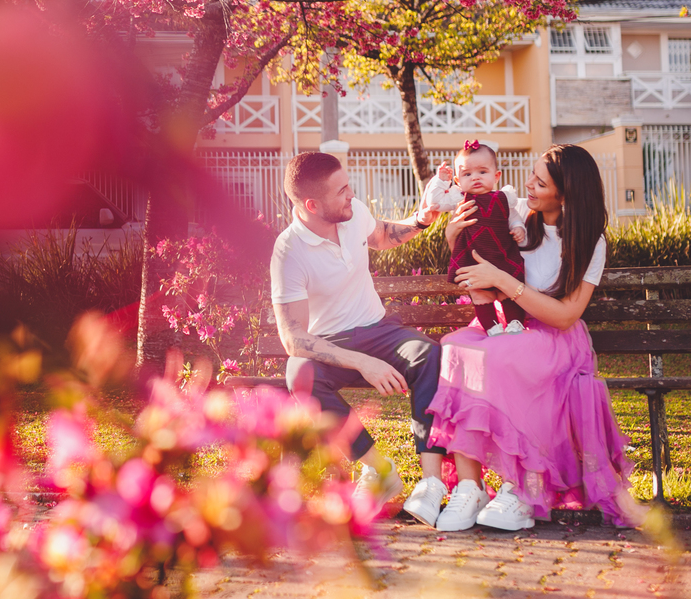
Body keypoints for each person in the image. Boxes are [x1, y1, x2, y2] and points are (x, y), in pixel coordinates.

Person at [425, 144, 640, 532]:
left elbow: (566, 314)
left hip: (554, 336)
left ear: (566, 193)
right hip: (506, 325)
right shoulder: (516, 212)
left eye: (540, 183)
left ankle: (522, 489)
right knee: (456, 347)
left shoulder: (589, 242)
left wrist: (503, 280)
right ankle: (470, 487)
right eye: (532, 176)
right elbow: (475, 254)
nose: (528, 185)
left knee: (505, 355)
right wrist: (452, 236)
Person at [270, 151, 450, 525]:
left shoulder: (352, 214)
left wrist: (421, 219)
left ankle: (432, 482)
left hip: (380, 331)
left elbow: (382, 235)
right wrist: (364, 363)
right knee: (299, 373)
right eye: (342, 191)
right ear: (312, 205)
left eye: (348, 186)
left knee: (429, 354)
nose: (351, 194)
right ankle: (377, 470)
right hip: (330, 347)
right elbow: (293, 339)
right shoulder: (289, 251)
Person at [421, 140, 527, 335]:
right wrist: (441, 181)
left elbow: (513, 217)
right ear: (458, 180)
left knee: (508, 291)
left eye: (482, 172)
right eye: (467, 174)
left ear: (496, 176)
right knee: (479, 294)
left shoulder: (504, 197)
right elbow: (434, 202)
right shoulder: (460, 198)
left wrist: (518, 227)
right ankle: (492, 328)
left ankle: (515, 323)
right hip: (473, 257)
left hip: (502, 254)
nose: (475, 178)